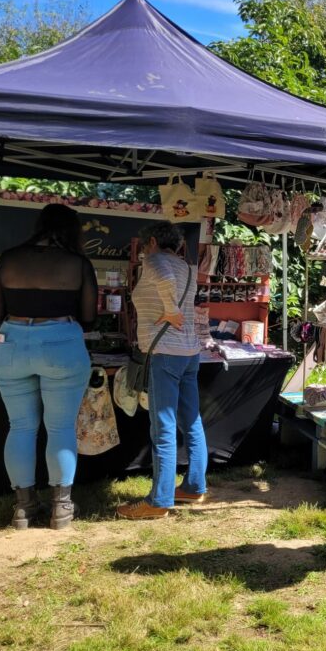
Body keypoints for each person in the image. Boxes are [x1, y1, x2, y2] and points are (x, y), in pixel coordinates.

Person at [0, 203, 96, 530]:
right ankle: (61, 509)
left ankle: (24, 508)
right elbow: (89, 316)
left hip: (12, 343)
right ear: (72, 229)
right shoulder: (78, 263)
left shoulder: (9, 258)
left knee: (20, 426)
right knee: (60, 427)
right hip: (61, 343)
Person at [117, 221, 204, 520]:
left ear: (151, 241)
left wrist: (170, 310)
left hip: (166, 353)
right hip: (190, 352)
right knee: (191, 421)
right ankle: (193, 486)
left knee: (163, 427)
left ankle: (159, 501)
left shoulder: (154, 260)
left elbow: (165, 281)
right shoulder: (187, 267)